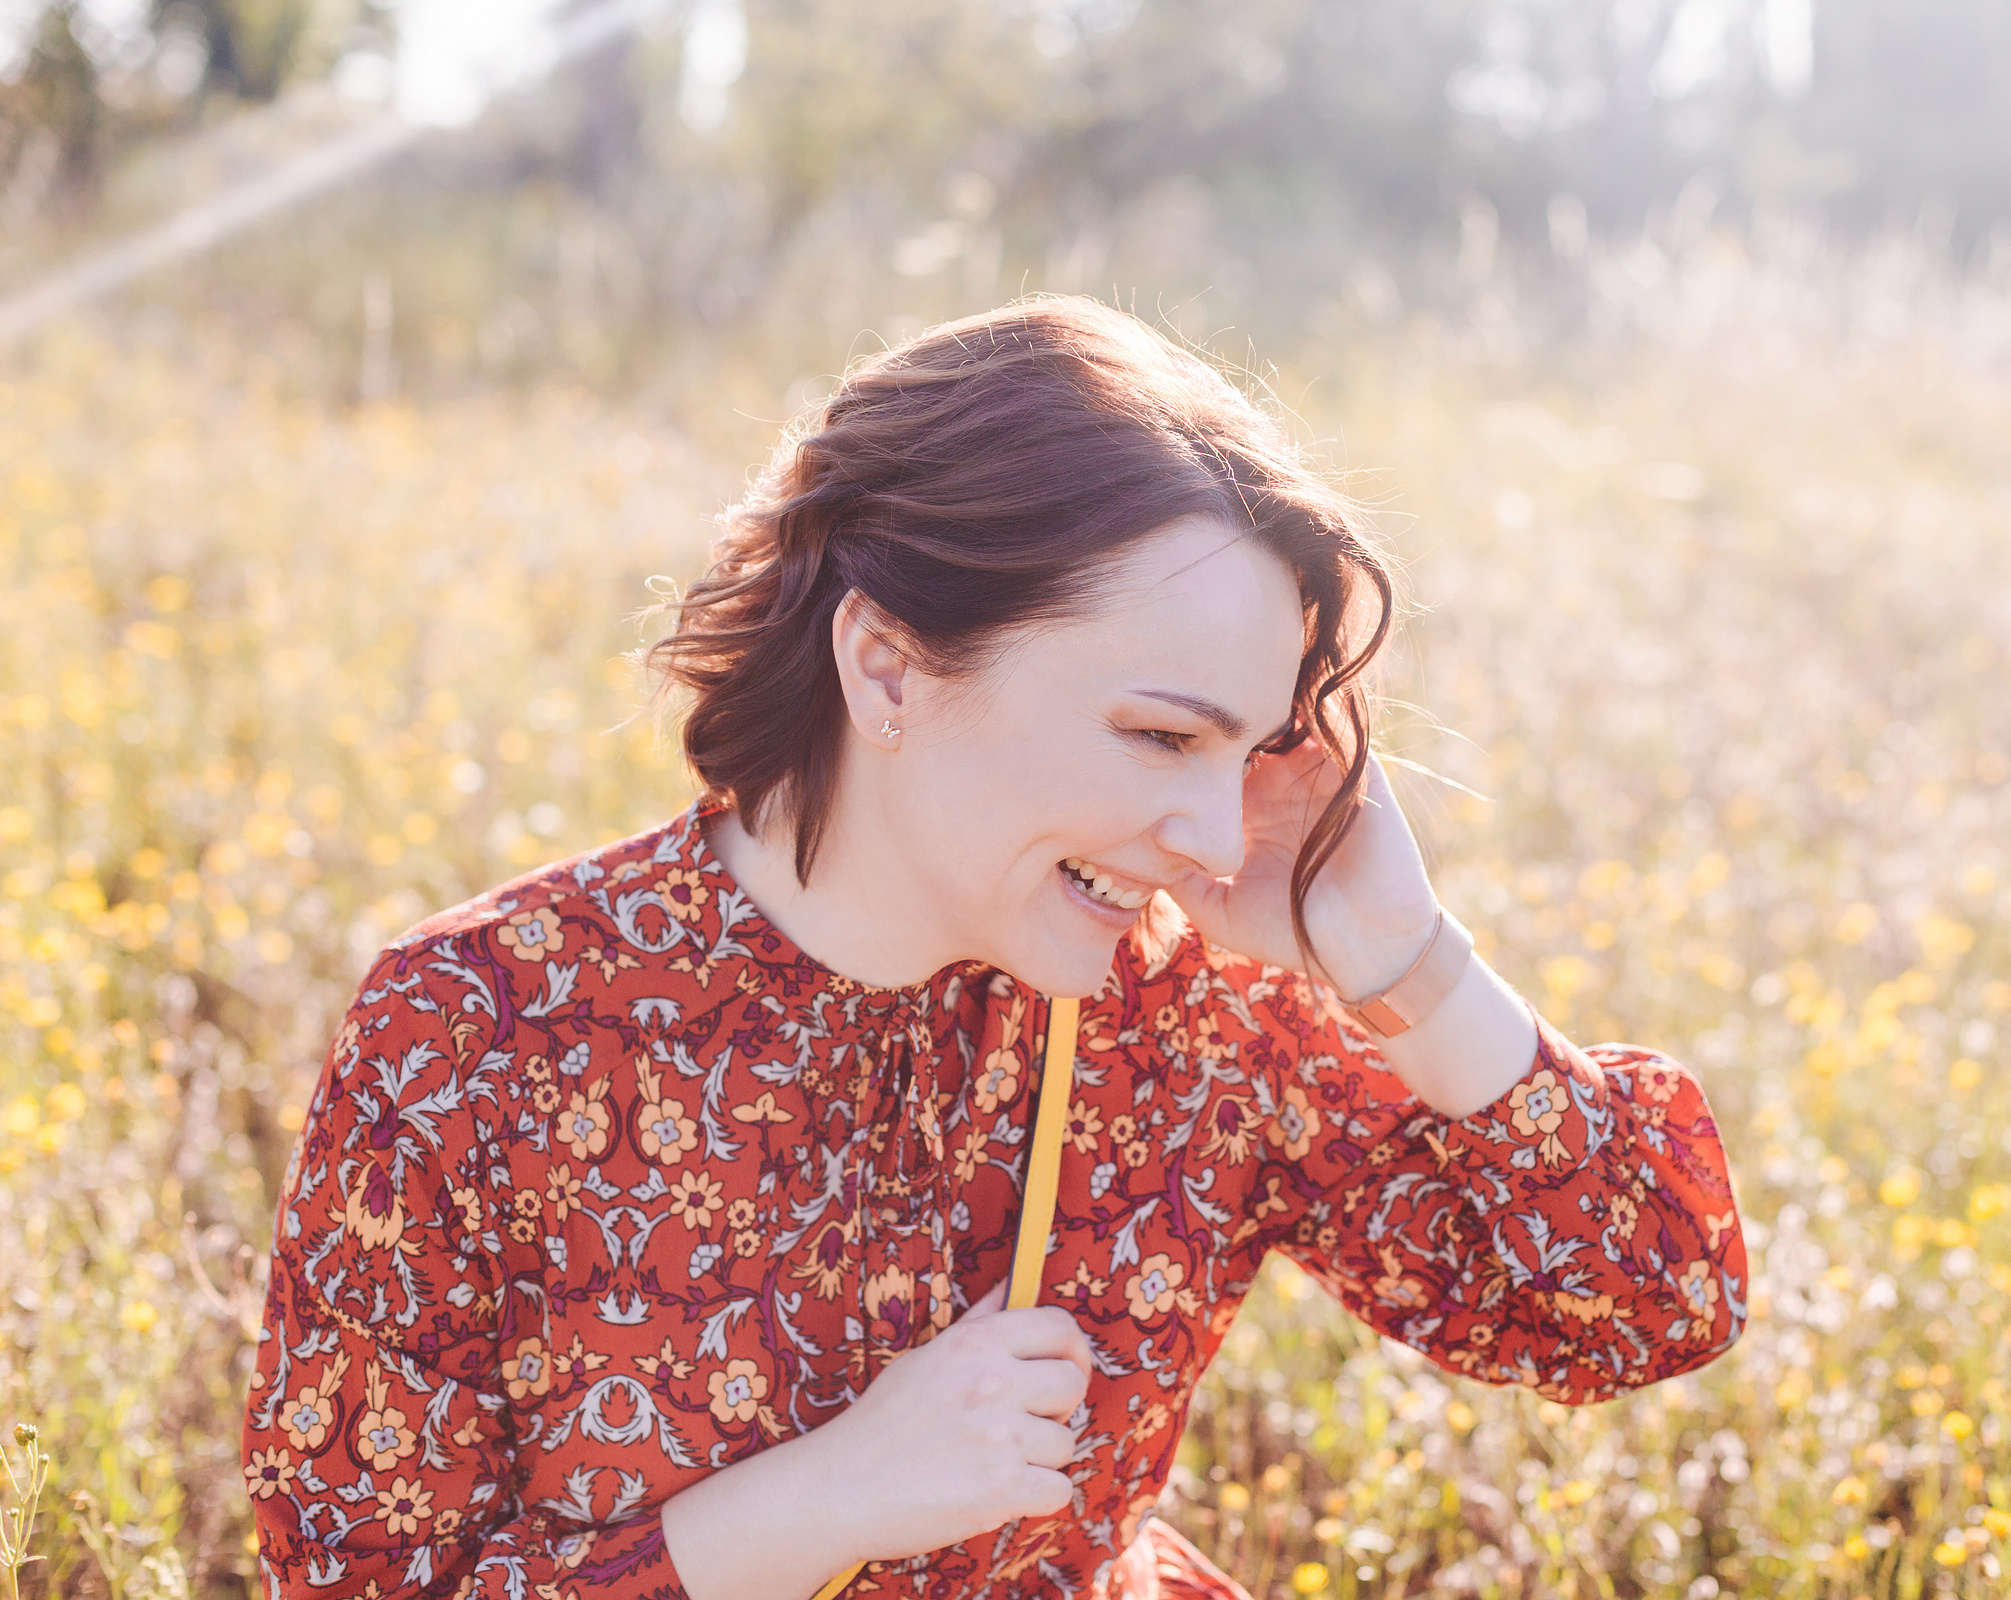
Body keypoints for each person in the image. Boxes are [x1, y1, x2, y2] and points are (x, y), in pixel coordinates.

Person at [242, 298, 1747, 1600]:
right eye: (1160, 733)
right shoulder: (485, 1030)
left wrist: (1401, 953)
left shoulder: (1194, 1008)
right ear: (888, 665)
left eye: (1252, 751)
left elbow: (1645, 1301)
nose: (1217, 839)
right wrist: (813, 1506)